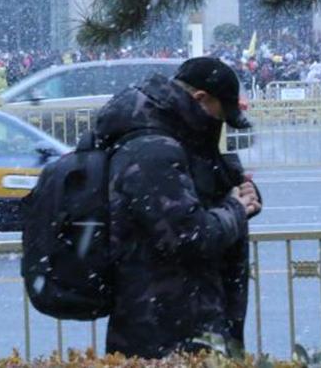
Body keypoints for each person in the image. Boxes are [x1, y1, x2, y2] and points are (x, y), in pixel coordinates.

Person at [95, 57, 262, 358]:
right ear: (200, 98)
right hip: (167, 330)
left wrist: (238, 194)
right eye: (220, 117)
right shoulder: (153, 148)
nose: (218, 127)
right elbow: (190, 237)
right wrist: (236, 209)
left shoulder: (168, 136)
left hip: (177, 320)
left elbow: (193, 199)